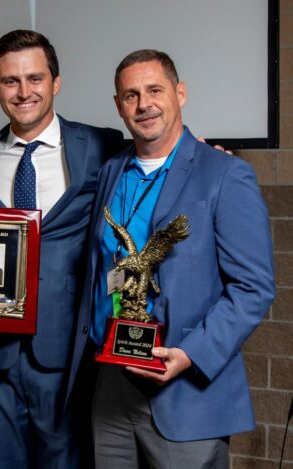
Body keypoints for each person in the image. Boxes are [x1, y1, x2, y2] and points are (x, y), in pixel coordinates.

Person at [67, 49, 275, 468]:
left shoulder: (224, 174)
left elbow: (254, 288)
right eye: (131, 95)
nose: (144, 104)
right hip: (111, 380)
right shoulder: (112, 172)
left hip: (185, 387)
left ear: (180, 93)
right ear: (118, 106)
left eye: (155, 90)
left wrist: (191, 354)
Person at [0, 30, 124, 468]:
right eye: (10, 81)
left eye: (35, 78)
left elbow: (156, 158)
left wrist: (206, 150)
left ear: (56, 82)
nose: (23, 91)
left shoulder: (101, 146)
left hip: (64, 349)